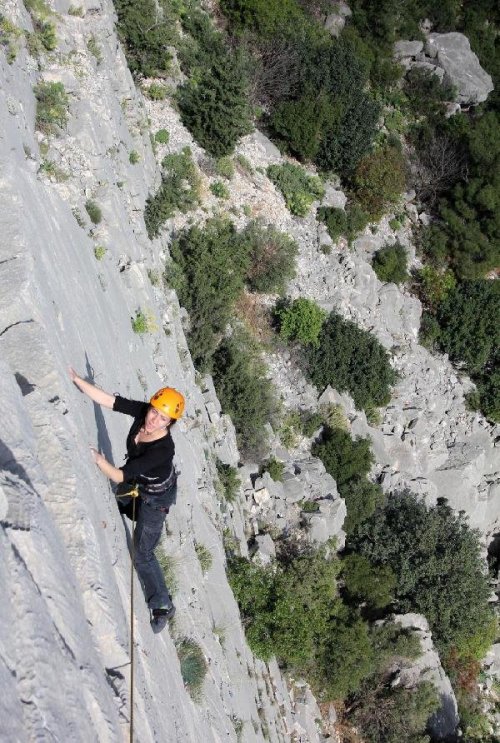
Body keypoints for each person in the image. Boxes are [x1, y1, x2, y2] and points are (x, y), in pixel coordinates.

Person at [69, 367, 184, 630]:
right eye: (155, 411)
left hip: (157, 499)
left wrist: (98, 460)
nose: (154, 419)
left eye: (163, 419)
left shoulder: (163, 450)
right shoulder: (144, 412)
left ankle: (162, 604)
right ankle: (130, 507)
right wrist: (76, 380)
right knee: (124, 502)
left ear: (170, 424)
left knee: (143, 553)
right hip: (140, 484)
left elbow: (121, 476)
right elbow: (111, 401)